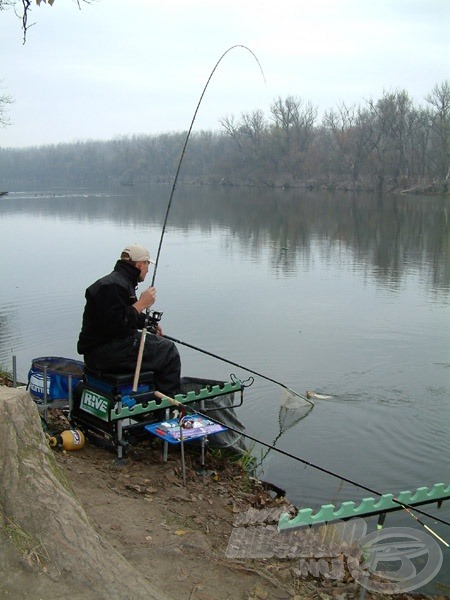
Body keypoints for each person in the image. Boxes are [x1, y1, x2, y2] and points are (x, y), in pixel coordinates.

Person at [77, 244, 181, 397]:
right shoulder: (112, 286)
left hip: (106, 349)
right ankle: (167, 406)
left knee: (156, 347)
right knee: (168, 352)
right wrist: (141, 304)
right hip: (103, 353)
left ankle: (150, 396)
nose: (147, 270)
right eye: (147, 265)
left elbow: (123, 314)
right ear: (139, 265)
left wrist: (149, 324)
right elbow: (115, 325)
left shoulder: (119, 282)